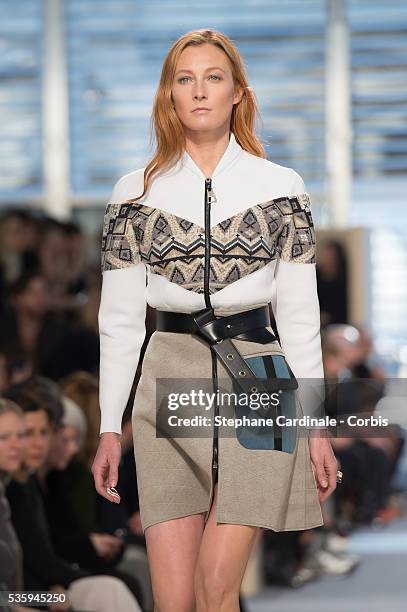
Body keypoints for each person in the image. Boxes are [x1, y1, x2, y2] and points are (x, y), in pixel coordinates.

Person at [92, 28, 339, 611]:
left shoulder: (282, 189)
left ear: (237, 93)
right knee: (174, 599)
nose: (199, 91)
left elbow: (300, 317)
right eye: (185, 78)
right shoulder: (133, 195)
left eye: (213, 77)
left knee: (217, 586)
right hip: (168, 371)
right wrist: (108, 424)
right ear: (168, 96)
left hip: (259, 374)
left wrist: (317, 424)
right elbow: (121, 323)